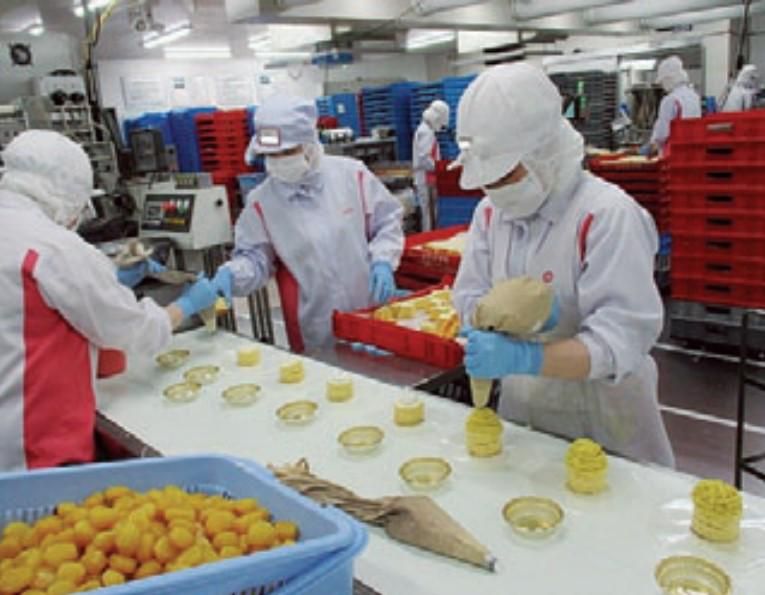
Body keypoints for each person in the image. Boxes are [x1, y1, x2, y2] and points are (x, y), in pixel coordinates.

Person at [452, 63, 674, 467]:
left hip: (606, 421)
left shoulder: (607, 216)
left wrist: (528, 357)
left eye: (505, 174)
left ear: (546, 152)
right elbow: (468, 295)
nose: (495, 189)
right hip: (525, 417)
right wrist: (484, 320)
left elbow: (620, 340)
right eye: (488, 179)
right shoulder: (490, 214)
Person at [0, 130, 219, 471]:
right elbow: (132, 330)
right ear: (65, 193)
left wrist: (109, 276)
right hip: (35, 441)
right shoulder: (54, 247)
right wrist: (186, 304)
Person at [213, 95, 404, 353]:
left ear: (310, 145)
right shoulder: (262, 202)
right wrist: (232, 274)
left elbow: (387, 220)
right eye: (271, 154)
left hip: (370, 312)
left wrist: (383, 260)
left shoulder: (351, 175)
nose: (279, 160)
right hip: (317, 327)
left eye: (287, 152)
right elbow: (256, 259)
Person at [645, 55, 701, 155]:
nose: (663, 85)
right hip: (692, 152)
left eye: (663, 81)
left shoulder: (670, 100)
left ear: (669, 79)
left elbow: (662, 133)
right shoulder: (694, 97)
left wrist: (651, 145)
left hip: (673, 153)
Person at [412, 100, 450, 231]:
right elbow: (424, 159)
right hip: (426, 179)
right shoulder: (426, 132)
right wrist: (440, 168)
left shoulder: (425, 130)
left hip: (427, 177)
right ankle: (428, 236)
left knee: (429, 213)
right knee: (429, 215)